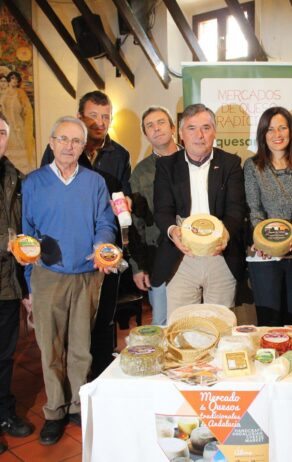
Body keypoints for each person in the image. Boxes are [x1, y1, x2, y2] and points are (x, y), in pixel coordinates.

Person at [20, 116, 116, 445]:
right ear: (51, 142)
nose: (68, 146)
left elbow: (105, 220)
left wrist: (102, 243)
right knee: (50, 349)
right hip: (48, 276)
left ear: (83, 147)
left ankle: (77, 404)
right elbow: (26, 235)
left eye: (76, 141)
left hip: (87, 274)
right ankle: (54, 411)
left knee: (81, 348)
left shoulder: (95, 182)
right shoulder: (33, 183)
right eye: (63, 139)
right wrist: (30, 280)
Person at [41, 91, 131, 376]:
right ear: (80, 116)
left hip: (104, 246)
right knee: (69, 325)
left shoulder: (120, 153)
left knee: (104, 315)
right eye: (93, 116)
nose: (99, 123)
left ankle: (101, 376)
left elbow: (122, 196)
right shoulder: (59, 148)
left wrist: (126, 202)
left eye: (105, 117)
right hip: (67, 251)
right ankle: (74, 385)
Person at [152, 103, 245, 319]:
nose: (199, 135)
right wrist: (174, 231)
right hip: (181, 257)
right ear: (181, 134)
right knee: (182, 327)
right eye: (192, 128)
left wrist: (225, 235)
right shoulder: (166, 166)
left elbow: (236, 209)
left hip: (220, 254)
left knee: (221, 326)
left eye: (206, 127)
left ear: (214, 132)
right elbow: (162, 210)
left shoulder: (230, 163)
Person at [244, 106, 292, 326]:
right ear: (262, 134)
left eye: (282, 128)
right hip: (265, 256)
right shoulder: (252, 166)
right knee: (269, 322)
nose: (277, 135)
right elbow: (254, 209)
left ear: (291, 130)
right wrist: (265, 242)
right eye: (270, 129)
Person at [0, 112, 34, 453]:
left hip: (7, 284)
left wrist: (26, 288)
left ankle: (5, 414)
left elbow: (23, 230)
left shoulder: (15, 176)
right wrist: (7, 243)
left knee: (5, 356)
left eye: (1, 133)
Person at [129, 106, 179, 325]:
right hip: (158, 256)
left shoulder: (194, 159)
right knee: (162, 323)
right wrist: (138, 266)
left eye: (160, 122)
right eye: (150, 125)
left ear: (172, 127)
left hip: (196, 255)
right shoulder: (141, 172)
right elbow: (135, 224)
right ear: (146, 134)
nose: (156, 129)